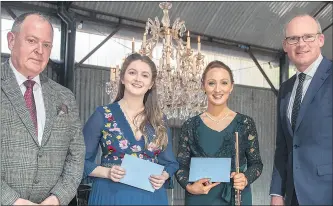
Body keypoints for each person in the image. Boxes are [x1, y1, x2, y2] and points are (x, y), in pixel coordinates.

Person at [1, 12, 85, 205]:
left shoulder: (65, 96)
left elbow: (76, 154)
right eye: (32, 40)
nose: (40, 50)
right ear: (11, 40)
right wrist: (12, 200)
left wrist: (58, 198)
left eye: (46, 45)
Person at [83, 53, 179, 205]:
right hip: (111, 195)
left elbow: (170, 163)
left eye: (145, 75)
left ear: (151, 83)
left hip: (151, 197)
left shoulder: (160, 121)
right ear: (122, 78)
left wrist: (164, 175)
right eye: (132, 72)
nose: (138, 79)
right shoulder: (102, 115)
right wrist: (107, 172)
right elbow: (79, 160)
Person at [175, 60, 263, 205]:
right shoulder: (190, 125)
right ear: (203, 86)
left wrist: (245, 178)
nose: (217, 89)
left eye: (223, 82)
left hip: (236, 196)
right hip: (199, 197)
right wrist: (189, 186)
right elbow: (181, 165)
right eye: (211, 83)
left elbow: (256, 164)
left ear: (231, 86)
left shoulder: (245, 123)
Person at [270, 14, 332, 205]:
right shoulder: (286, 89)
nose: (301, 44)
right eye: (293, 39)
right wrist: (277, 193)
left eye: (308, 37)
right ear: (285, 45)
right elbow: (283, 147)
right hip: (292, 196)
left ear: (320, 39)